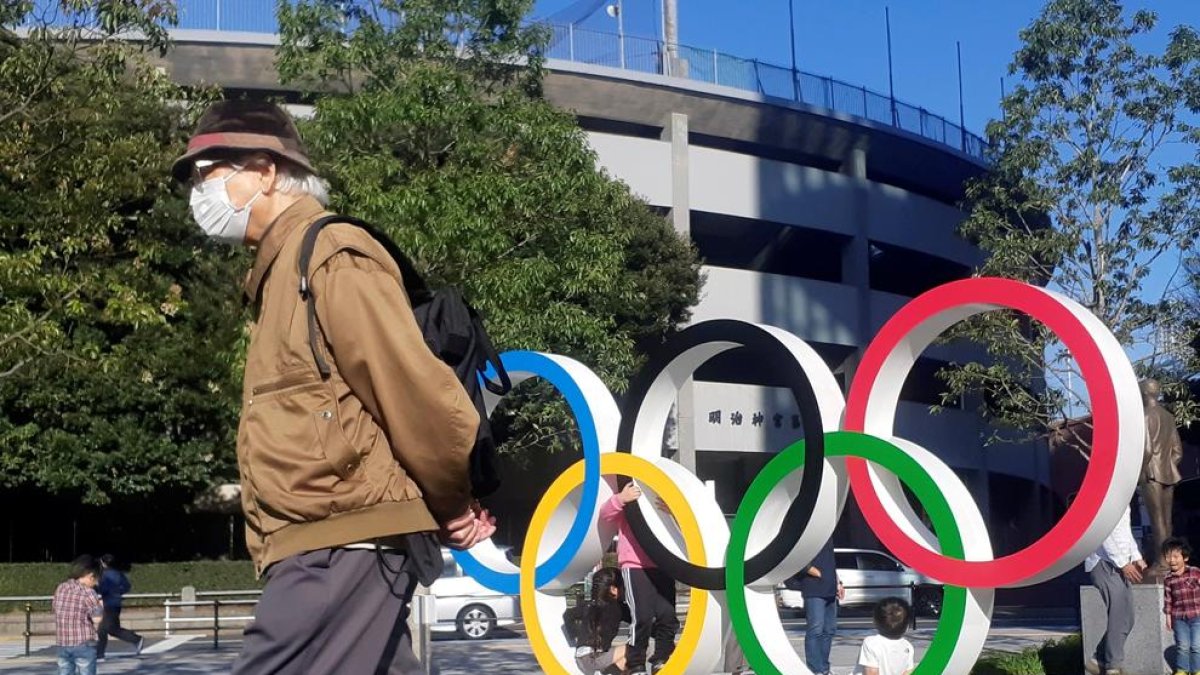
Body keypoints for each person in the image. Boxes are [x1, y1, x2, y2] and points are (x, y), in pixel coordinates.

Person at [173, 100, 494, 675]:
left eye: (211, 170)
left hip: (341, 543)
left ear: (266, 171)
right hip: (327, 542)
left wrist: (450, 504)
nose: (199, 191)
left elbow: (416, 393)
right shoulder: (276, 278)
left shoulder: (330, 254)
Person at [599, 481, 679, 674]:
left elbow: (682, 526)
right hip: (634, 565)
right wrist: (621, 499)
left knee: (668, 615)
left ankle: (661, 658)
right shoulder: (630, 498)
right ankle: (635, 663)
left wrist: (673, 512)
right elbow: (605, 514)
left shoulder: (660, 496)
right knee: (642, 616)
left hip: (663, 562)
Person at [1085, 505, 1146, 675]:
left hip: (1118, 565)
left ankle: (1098, 659)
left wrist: (1136, 556)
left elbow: (1124, 532)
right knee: (1119, 616)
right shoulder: (1107, 500)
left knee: (1128, 617)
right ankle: (1113, 666)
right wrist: (1122, 563)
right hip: (1104, 563)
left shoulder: (1123, 501)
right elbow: (1105, 534)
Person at [1141, 378, 1184, 574]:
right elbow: (1178, 451)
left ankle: (1162, 562)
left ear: (1144, 394)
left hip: (1152, 473)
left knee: (1157, 519)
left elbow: (1147, 450)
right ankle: (1171, 559)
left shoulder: (1144, 416)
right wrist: (1168, 465)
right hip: (1168, 472)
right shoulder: (1168, 416)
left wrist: (1143, 469)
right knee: (1167, 520)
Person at [563, 567, 632, 675]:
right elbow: (638, 620)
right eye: (623, 587)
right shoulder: (618, 607)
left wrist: (575, 636)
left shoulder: (588, 605)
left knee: (625, 660)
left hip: (581, 658)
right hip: (596, 659)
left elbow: (567, 615)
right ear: (613, 589)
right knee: (638, 648)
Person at [791, 539, 844, 675]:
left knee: (829, 629)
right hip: (814, 588)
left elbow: (830, 561)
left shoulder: (827, 534)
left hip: (830, 588)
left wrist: (838, 582)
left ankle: (824, 667)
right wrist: (813, 570)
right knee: (816, 629)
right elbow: (795, 556)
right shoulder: (809, 533)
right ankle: (816, 669)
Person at [53, 555, 104, 675]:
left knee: (64, 671)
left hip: (62, 642)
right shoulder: (89, 593)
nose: (96, 584)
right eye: (96, 580)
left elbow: (55, 608)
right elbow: (97, 619)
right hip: (83, 643)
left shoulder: (61, 588)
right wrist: (100, 605)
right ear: (91, 576)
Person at [1162, 537, 1200, 675]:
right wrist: (1168, 617)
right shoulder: (1168, 578)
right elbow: (1168, 599)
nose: (1172, 560)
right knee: (1182, 646)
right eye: (1168, 556)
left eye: (1175, 556)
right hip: (1178, 617)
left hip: (1197, 615)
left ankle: (1196, 670)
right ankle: (1182, 670)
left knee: (1196, 645)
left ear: (1185, 558)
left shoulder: (1195, 572)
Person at [96, 554, 143, 659]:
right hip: (117, 603)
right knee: (107, 629)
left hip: (109, 604)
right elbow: (127, 586)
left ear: (104, 563)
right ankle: (99, 653)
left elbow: (103, 589)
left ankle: (136, 639)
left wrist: (95, 588)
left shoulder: (105, 575)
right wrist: (118, 592)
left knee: (106, 629)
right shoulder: (118, 574)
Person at [852, 596, 915, 675]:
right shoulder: (908, 647)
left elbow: (871, 672)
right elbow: (908, 672)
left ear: (875, 622)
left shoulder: (871, 643)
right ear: (907, 627)